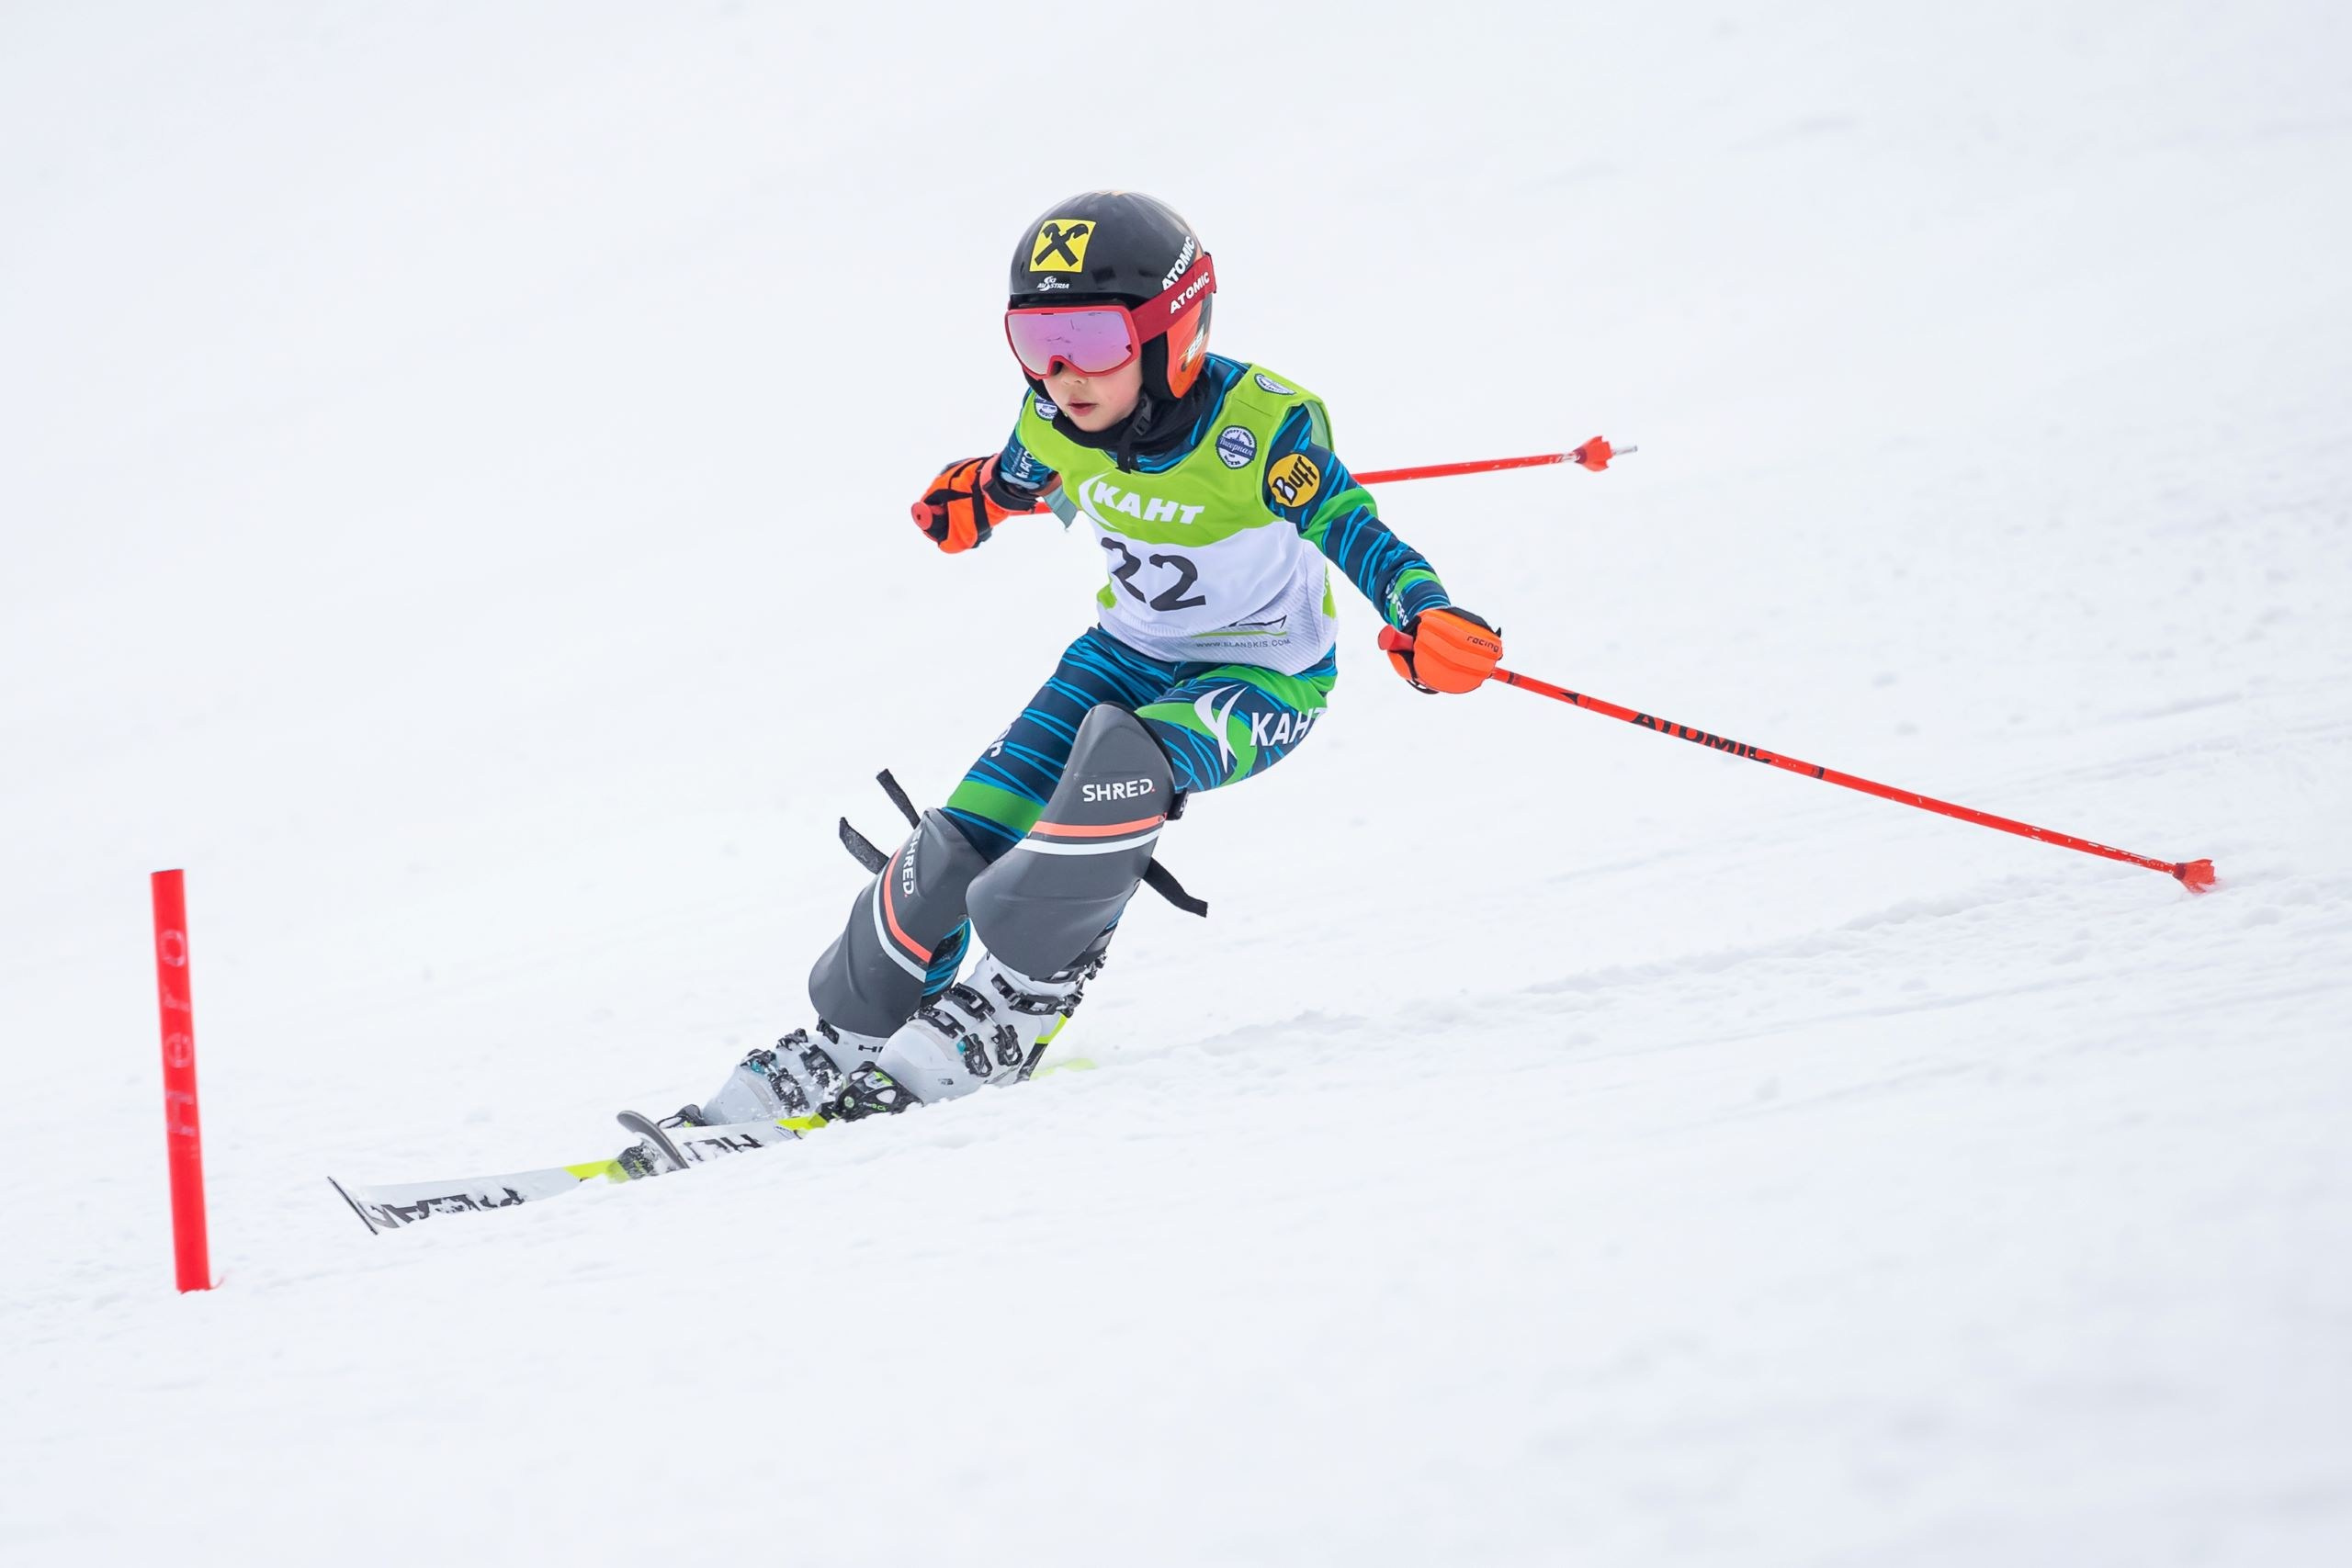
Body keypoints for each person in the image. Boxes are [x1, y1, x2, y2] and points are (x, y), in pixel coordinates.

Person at [617, 190, 1502, 1176]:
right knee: (960, 835)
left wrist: (1425, 615)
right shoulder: (1054, 415)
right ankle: (850, 1035)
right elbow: (1014, 474)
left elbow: (1357, 531)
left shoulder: (1263, 429)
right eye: (1034, 339)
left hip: (1262, 681)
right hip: (1118, 656)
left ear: (1174, 332)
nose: (1060, 372)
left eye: (1088, 336)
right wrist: (974, 502)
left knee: (1119, 763)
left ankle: (1016, 1006)